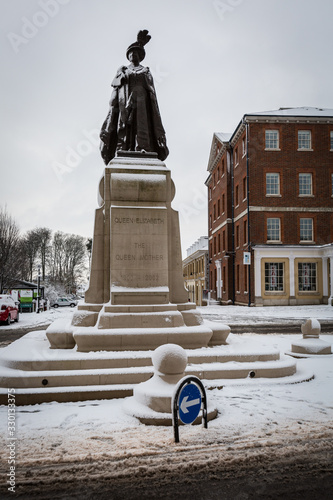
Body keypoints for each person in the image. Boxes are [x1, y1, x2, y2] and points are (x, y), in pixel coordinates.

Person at [100, 30, 169, 164]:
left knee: (142, 125)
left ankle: (143, 148)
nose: (133, 55)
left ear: (140, 55)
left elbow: (151, 91)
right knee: (125, 126)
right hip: (124, 102)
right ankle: (124, 148)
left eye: (135, 53)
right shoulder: (123, 69)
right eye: (131, 53)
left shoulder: (145, 70)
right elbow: (115, 85)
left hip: (142, 103)